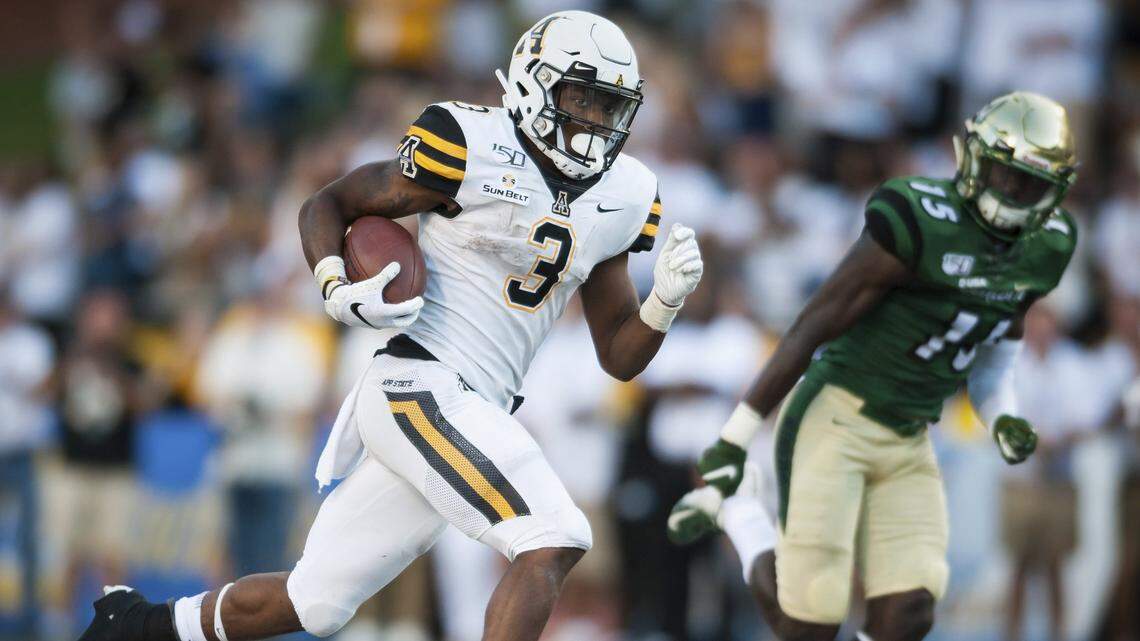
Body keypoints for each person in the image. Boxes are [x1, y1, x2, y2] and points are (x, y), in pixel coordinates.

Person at [79, 10, 704, 641]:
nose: (594, 122)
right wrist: (334, 284)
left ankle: (135, 625)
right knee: (556, 535)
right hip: (420, 385)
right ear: (532, 82)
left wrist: (664, 305)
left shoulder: (625, 194)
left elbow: (619, 355)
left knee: (315, 602)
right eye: (581, 99)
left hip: (474, 407)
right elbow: (329, 203)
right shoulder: (469, 142)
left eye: (608, 107)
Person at [667, 91, 1079, 641]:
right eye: (1006, 174)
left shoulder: (1048, 245)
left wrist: (1001, 413)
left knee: (908, 612)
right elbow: (814, 323)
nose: (1013, 192)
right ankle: (743, 517)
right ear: (976, 158)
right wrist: (737, 435)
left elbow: (999, 340)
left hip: (909, 434)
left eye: (1031, 183)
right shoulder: (917, 216)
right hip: (835, 416)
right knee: (808, 623)